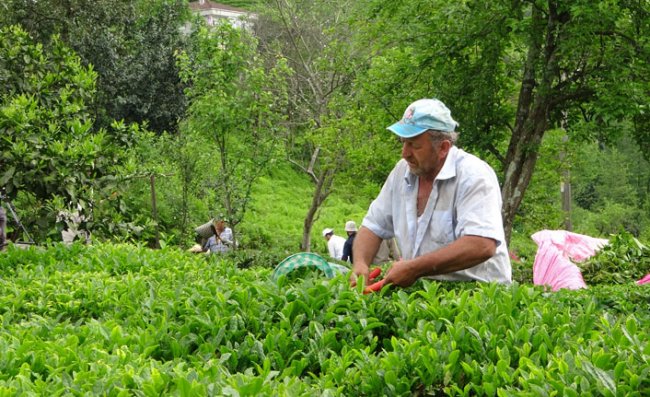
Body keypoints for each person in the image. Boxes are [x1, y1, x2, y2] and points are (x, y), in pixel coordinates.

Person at [351, 98, 512, 288]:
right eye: (403, 142)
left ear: (443, 147)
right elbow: (373, 225)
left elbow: (482, 245)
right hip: (425, 290)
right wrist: (360, 264)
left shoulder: (474, 175)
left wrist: (414, 268)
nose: (405, 153)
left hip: (478, 293)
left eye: (414, 145)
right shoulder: (402, 171)